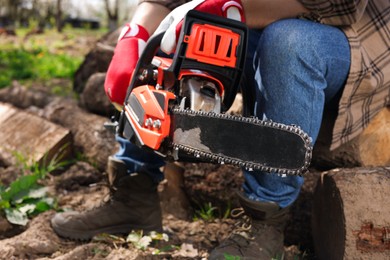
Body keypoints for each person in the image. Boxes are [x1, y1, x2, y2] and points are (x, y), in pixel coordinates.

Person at [51, 0, 389, 259]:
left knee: (286, 42)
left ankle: (264, 223)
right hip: (253, 18)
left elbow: (336, 4)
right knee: (187, 31)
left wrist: (228, 10)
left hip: (348, 36)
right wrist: (139, 34)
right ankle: (132, 193)